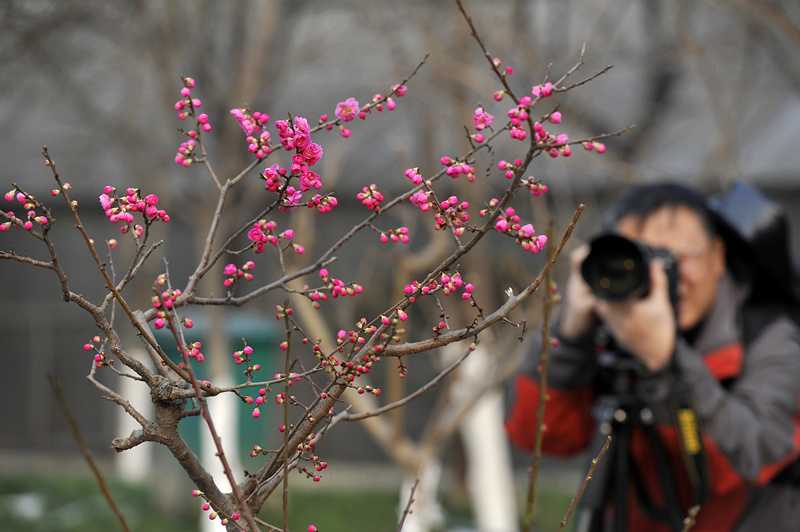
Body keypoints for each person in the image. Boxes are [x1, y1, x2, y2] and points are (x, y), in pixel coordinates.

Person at [506, 182, 800, 531]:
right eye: (643, 260)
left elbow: (755, 459)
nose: (665, 279)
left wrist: (666, 360)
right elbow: (539, 438)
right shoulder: (607, 335)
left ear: (717, 257)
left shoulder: (770, 336)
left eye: (677, 260)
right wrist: (569, 337)